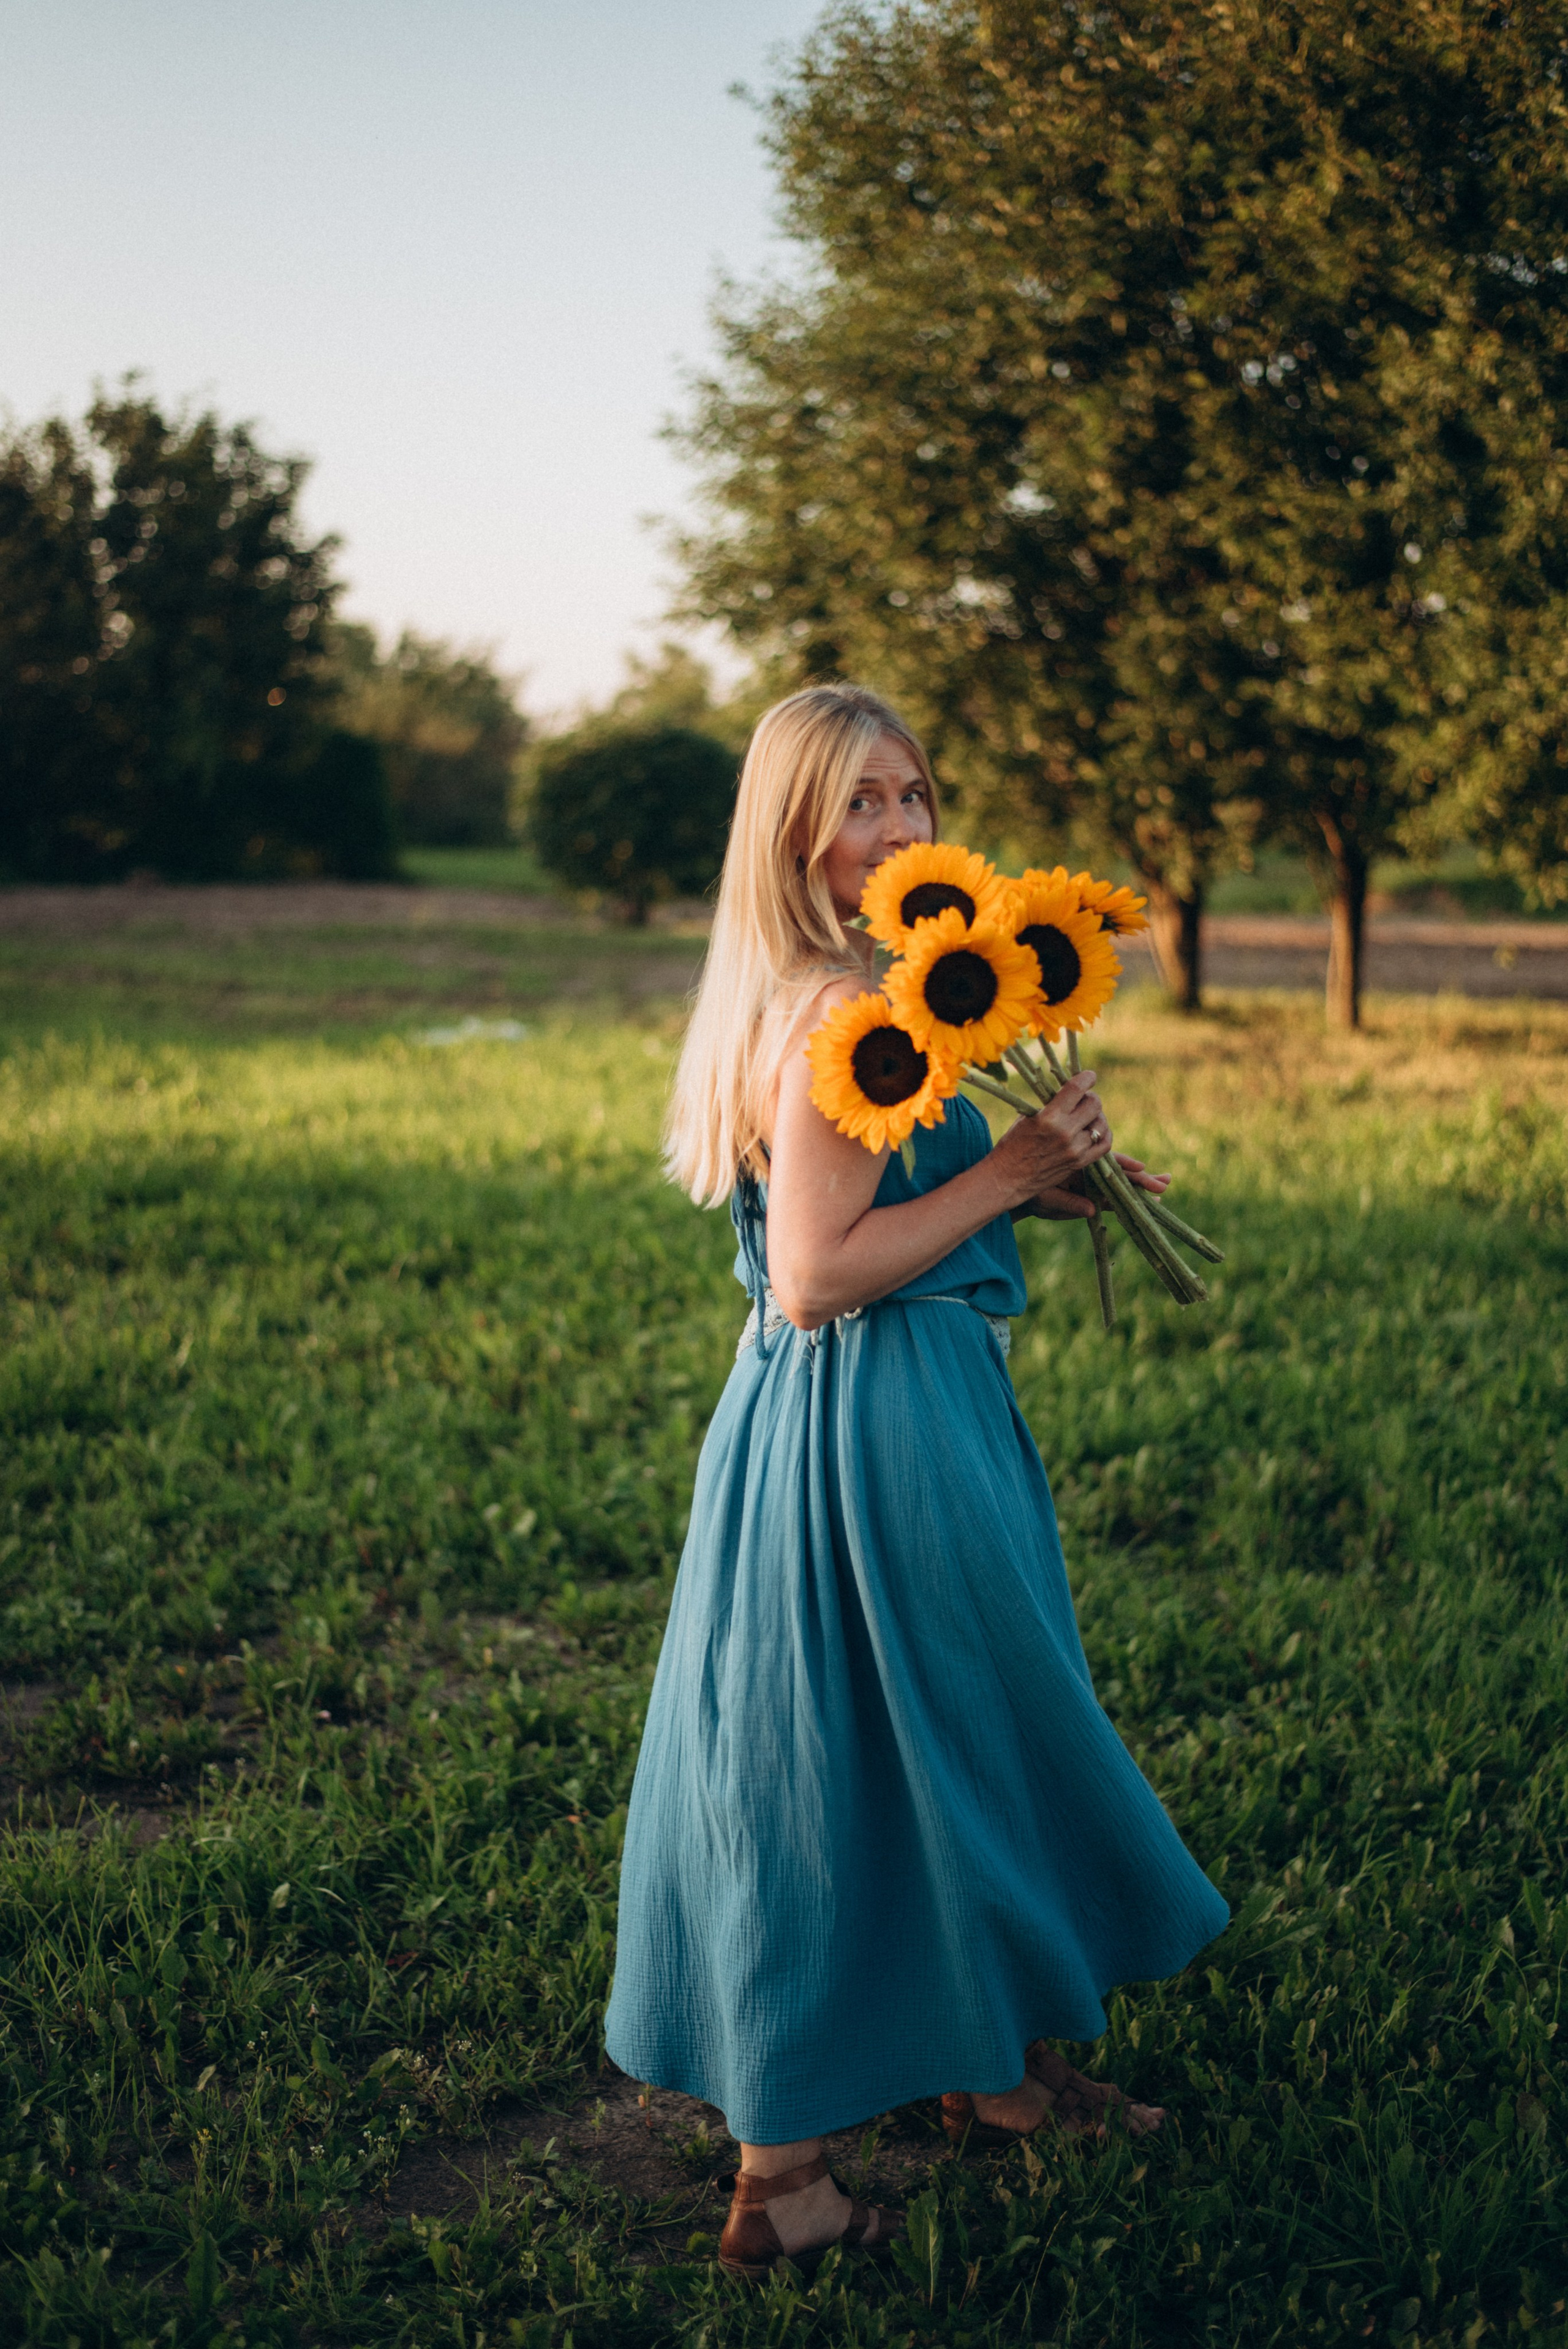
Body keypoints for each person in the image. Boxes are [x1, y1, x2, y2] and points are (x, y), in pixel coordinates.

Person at [604, 684, 1229, 2279]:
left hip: (841, 1409)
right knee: (897, 1745)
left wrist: (1048, 1188)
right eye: (861, 801)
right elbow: (817, 1267)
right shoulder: (837, 1015)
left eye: (916, 794)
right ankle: (790, 2180)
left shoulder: (848, 990)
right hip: (875, 1421)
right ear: (796, 831)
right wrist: (1015, 1170)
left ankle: (993, 2073)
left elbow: (887, 1199)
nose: (899, 828)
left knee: (916, 1742)